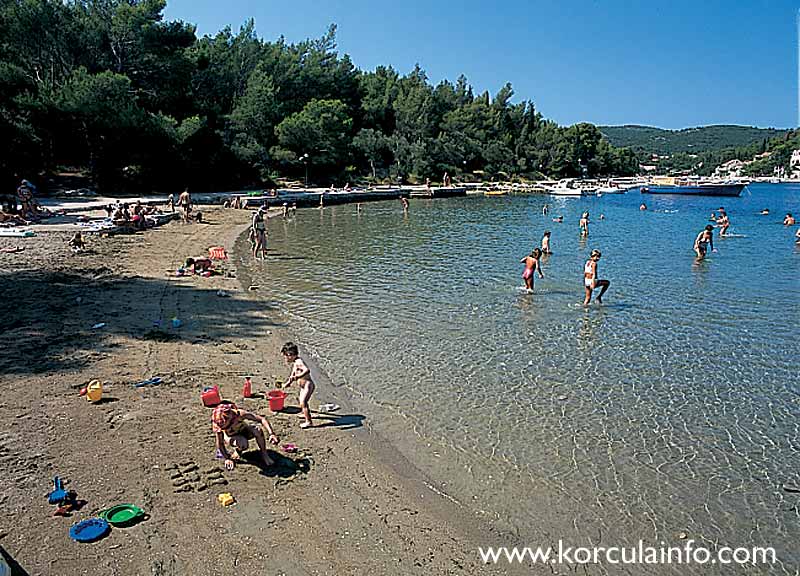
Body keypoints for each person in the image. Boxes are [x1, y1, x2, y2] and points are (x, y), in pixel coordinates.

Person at [212, 402, 279, 471]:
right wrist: (227, 458)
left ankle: (265, 454)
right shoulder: (219, 423)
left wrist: (271, 434)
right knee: (243, 443)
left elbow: (261, 419)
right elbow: (220, 443)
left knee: (257, 430)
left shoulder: (240, 414)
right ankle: (239, 450)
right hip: (231, 436)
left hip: (244, 430)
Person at [281, 342, 315, 428]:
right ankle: (305, 413)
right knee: (301, 403)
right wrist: (288, 383)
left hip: (308, 385)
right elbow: (292, 375)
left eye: (286, 356)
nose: (285, 358)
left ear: (290, 355)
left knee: (303, 403)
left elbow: (307, 370)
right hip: (303, 387)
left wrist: (298, 376)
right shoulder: (295, 363)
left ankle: (309, 422)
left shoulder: (299, 362)